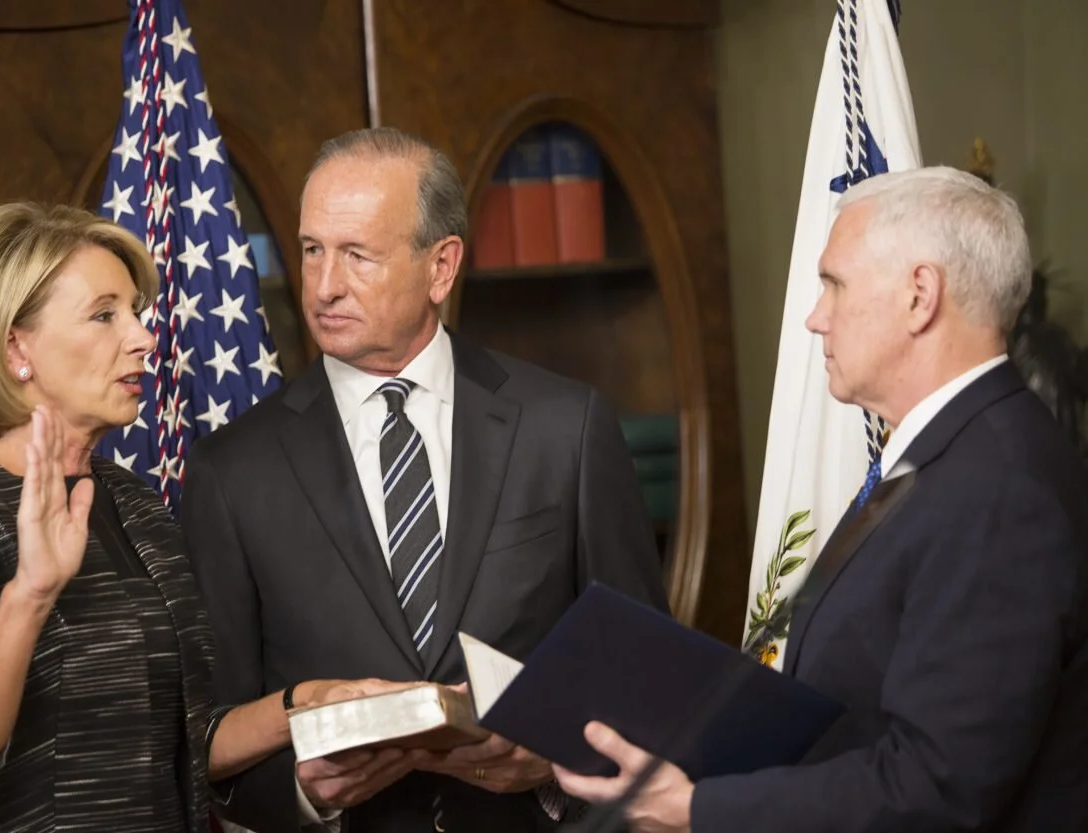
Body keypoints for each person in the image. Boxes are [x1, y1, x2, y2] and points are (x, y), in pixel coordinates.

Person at [553, 166, 1088, 832]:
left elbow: (937, 786)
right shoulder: (950, 452)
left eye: (834, 283)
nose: (814, 317)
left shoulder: (998, 490)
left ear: (920, 296)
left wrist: (695, 809)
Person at [180, 126, 668, 833]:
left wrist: (552, 765)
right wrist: (305, 794)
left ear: (441, 267)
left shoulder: (566, 427)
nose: (324, 285)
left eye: (357, 255)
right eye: (312, 250)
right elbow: (206, 736)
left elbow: (645, 674)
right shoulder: (232, 470)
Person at [0, 203, 397, 833]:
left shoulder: (137, 505)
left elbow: (190, 745)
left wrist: (306, 702)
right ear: (16, 347)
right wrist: (30, 594)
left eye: (134, 312)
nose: (144, 338)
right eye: (104, 315)